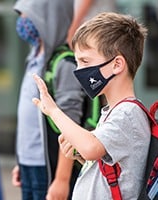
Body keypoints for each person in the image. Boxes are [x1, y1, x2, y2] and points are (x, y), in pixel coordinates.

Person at [32, 12, 151, 199]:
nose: (79, 70)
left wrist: (53, 111)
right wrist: (78, 154)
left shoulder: (128, 113)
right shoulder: (113, 111)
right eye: (77, 61)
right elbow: (107, 161)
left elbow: (91, 147)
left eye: (85, 61)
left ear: (117, 64)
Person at [11, 0, 86, 199]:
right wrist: (22, 161)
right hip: (30, 164)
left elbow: (70, 125)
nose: (22, 21)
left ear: (49, 19)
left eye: (28, 15)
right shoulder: (34, 58)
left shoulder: (64, 64)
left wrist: (62, 179)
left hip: (49, 169)